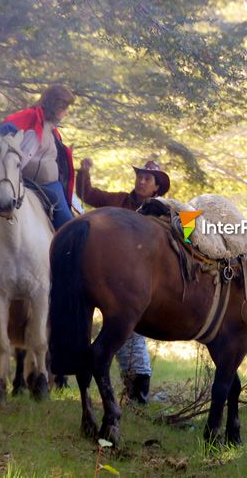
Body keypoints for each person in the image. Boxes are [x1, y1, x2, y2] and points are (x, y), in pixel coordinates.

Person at [0, 85, 76, 302]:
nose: (65, 112)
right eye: (64, 107)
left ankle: (68, 277)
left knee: (68, 226)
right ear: (55, 104)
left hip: (50, 186)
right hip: (16, 182)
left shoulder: (55, 132)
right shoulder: (28, 117)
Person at [76, 158, 171, 403]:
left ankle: (136, 392)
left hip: (146, 282)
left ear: (156, 187)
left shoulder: (164, 210)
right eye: (139, 176)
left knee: (129, 334)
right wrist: (84, 172)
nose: (141, 181)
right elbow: (87, 193)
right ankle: (135, 393)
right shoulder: (118, 201)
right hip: (111, 277)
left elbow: (186, 235)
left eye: (147, 178)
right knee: (125, 332)